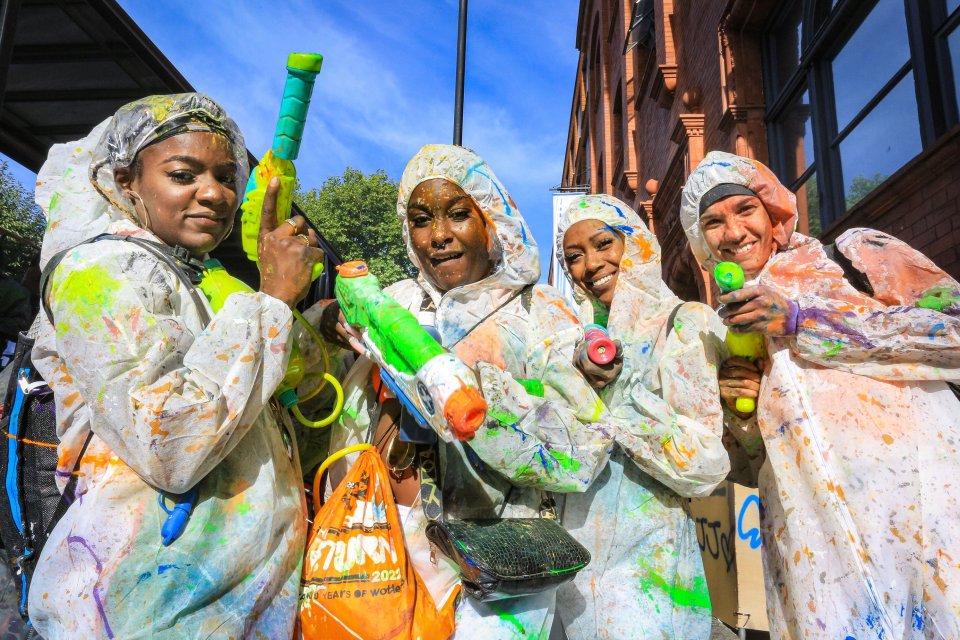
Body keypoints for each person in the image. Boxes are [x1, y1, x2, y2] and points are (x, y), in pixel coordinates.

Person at [29, 93, 323, 638]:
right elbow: (169, 442)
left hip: (219, 607)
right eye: (183, 174)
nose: (214, 194)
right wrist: (275, 298)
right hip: (144, 608)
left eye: (226, 176)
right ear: (127, 181)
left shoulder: (192, 277)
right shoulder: (96, 274)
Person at [318, 144, 614, 639]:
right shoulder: (395, 302)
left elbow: (583, 448)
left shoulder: (538, 311)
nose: (438, 236)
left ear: (491, 220)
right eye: (421, 220)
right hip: (384, 549)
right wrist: (326, 319)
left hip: (502, 560)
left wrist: (477, 396)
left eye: (458, 215)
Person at [680, 150, 960, 639]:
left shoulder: (855, 256)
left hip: (926, 521)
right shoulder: (732, 327)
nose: (733, 231)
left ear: (774, 215)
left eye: (745, 210)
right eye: (712, 222)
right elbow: (756, 460)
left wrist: (802, 322)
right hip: (816, 553)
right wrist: (742, 419)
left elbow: (952, 332)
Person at [554, 194, 729, 639]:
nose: (590, 264)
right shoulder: (575, 342)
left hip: (651, 571)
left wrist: (623, 399)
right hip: (575, 568)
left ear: (637, 244)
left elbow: (704, 464)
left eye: (602, 244)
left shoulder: (685, 322)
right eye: (574, 257)